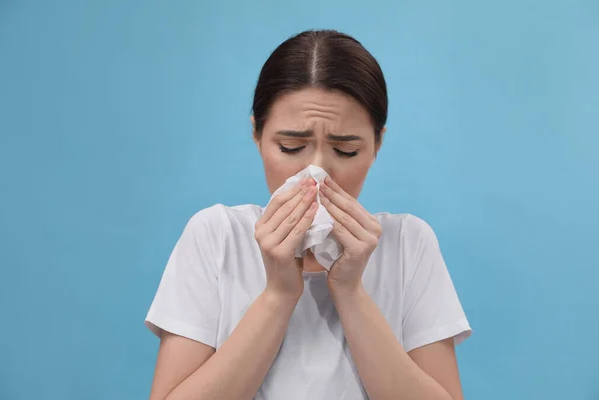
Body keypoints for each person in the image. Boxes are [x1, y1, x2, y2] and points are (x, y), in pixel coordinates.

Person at [145, 29, 471, 400]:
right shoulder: (217, 236)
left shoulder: (408, 244)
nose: (317, 175)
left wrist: (349, 291)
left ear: (377, 143)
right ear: (257, 134)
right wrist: (278, 295)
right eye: (291, 147)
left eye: (345, 151)